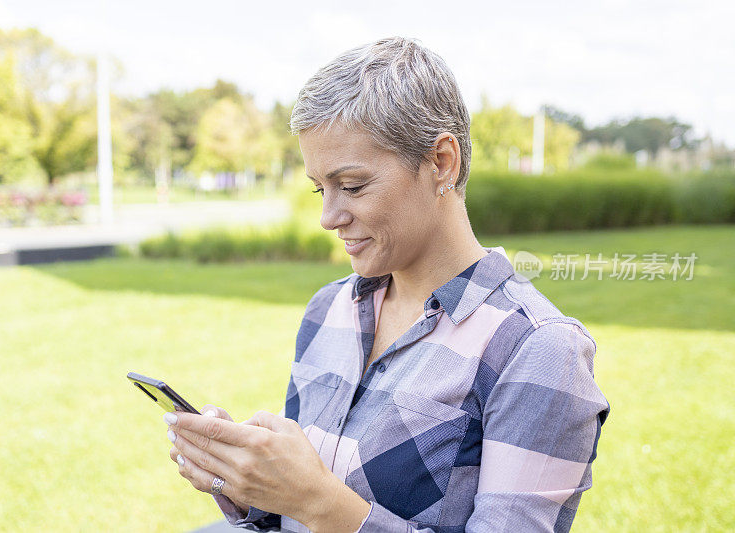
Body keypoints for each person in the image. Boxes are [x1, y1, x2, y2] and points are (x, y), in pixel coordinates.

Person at [163, 36, 610, 532]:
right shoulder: (327, 308)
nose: (328, 217)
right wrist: (248, 481)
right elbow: (289, 512)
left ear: (442, 162)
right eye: (320, 189)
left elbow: (316, 503)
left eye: (352, 186)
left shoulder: (538, 349)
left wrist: (318, 502)